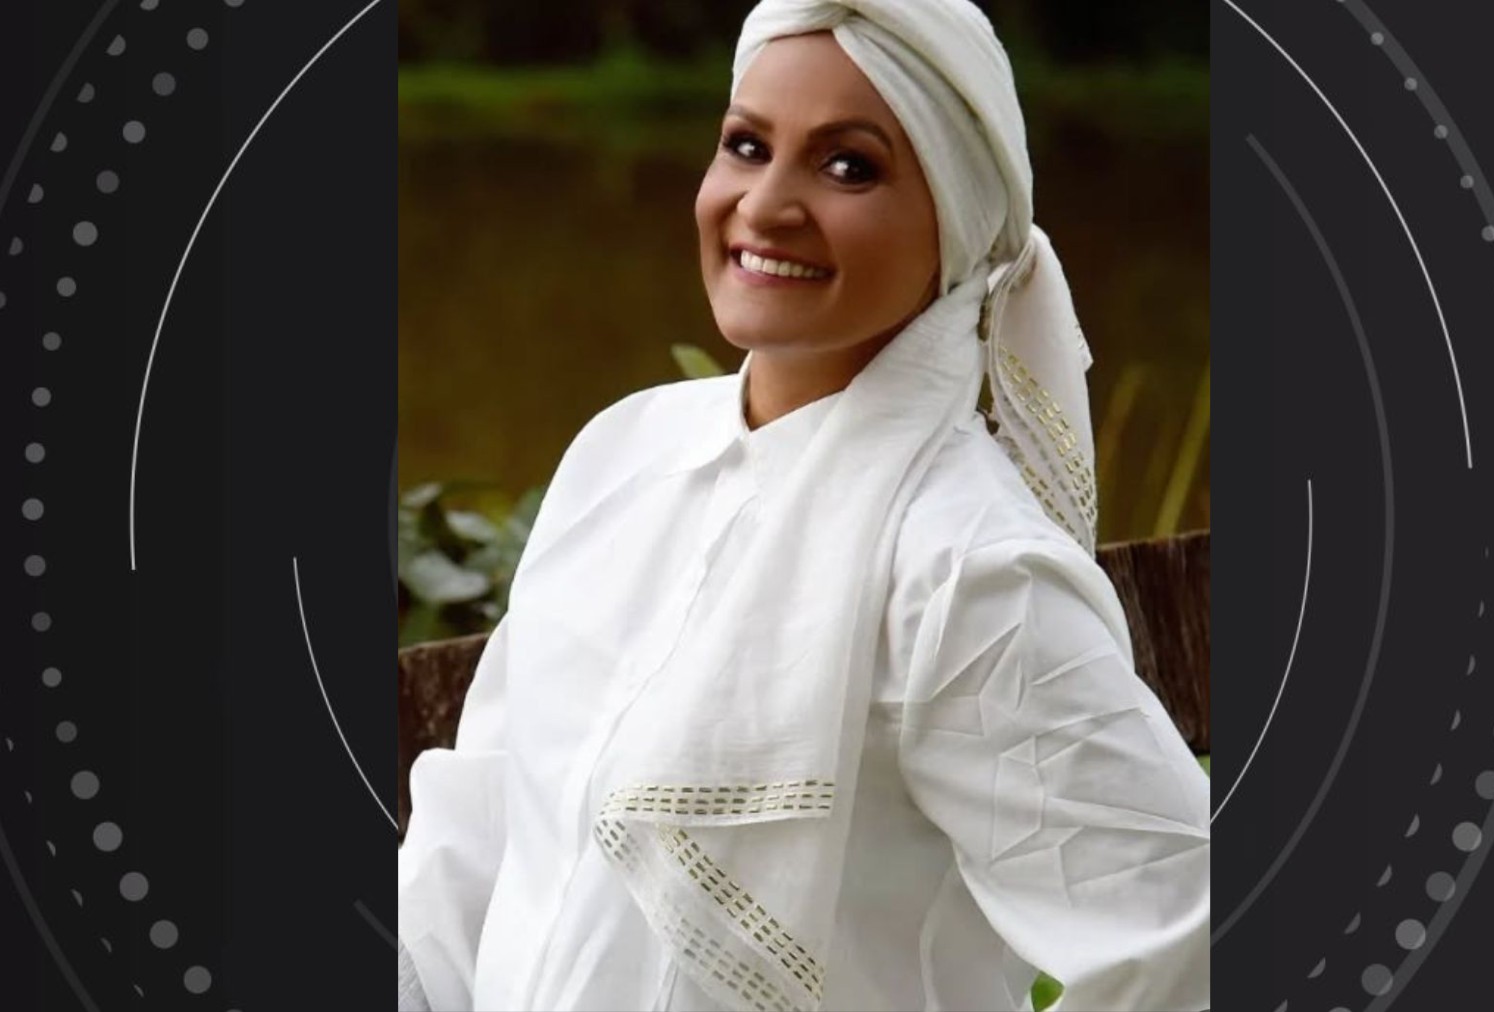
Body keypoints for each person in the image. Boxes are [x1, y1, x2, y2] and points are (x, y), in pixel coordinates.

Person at [397, 1, 1209, 1009]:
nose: (767, 204)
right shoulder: (622, 453)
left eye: (848, 166)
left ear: (955, 223)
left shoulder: (965, 571)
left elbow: (1184, 938)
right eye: (747, 146)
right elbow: (478, 827)